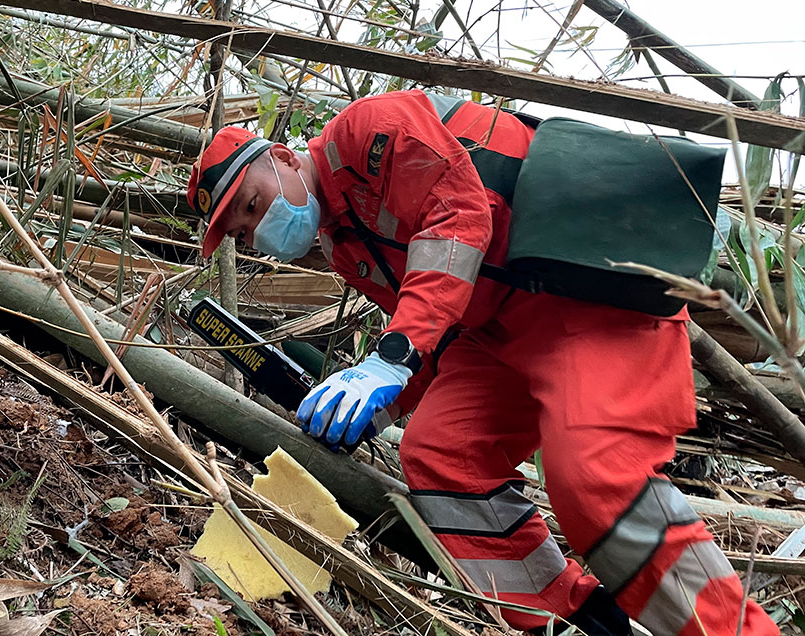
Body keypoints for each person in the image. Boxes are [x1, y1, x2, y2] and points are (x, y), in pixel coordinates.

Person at [186, 90, 778, 636]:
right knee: (441, 453)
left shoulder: (369, 132)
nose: (258, 227)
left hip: (585, 302)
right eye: (244, 230)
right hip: (497, 334)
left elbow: (460, 215)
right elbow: (435, 326)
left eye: (253, 203)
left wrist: (388, 359)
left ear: (286, 160)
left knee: (593, 476)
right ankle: (567, 618)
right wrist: (382, 403)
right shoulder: (347, 245)